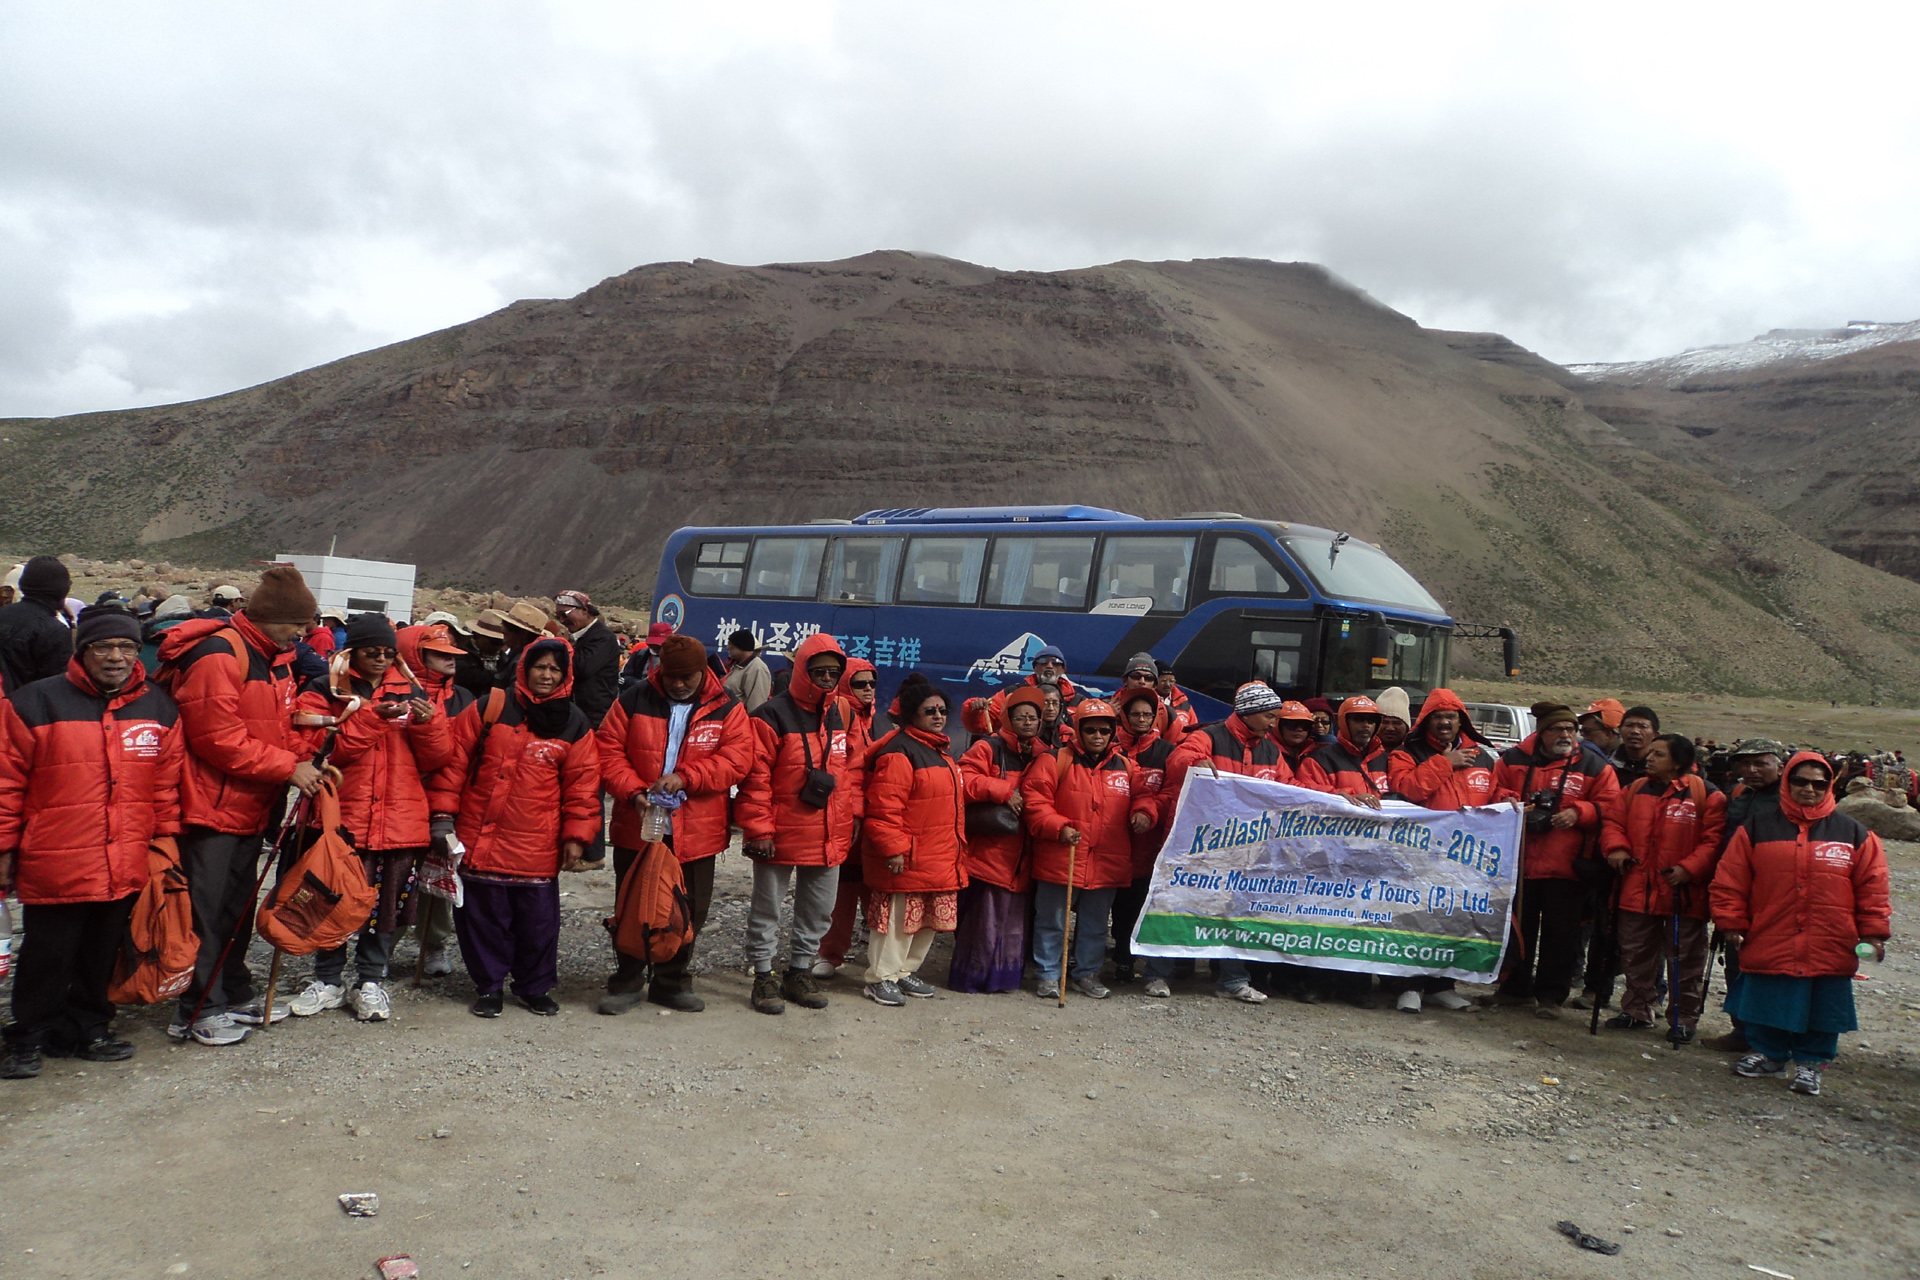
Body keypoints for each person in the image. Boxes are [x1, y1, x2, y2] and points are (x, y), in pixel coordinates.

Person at [0, 607, 184, 1078]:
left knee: (102, 949)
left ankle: (88, 1027)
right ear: (83, 651)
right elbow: (6, 783)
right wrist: (4, 847)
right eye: (104, 647)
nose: (117, 657)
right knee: (47, 953)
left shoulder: (158, 707)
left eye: (126, 647)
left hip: (124, 857)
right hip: (56, 857)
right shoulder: (35, 702)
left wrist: (164, 845)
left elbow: (165, 785)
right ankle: (27, 1035)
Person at [157, 565, 326, 1046]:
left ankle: (230, 990)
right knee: (205, 911)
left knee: (236, 904)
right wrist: (287, 767)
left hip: (249, 803)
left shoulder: (273, 656)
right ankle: (196, 1009)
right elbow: (218, 739)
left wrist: (307, 743)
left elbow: (269, 725)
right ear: (270, 616)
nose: (303, 632)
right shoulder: (220, 653)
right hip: (210, 805)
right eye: (296, 623)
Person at [285, 613, 453, 1022]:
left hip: (398, 816)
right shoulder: (325, 689)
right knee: (332, 898)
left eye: (387, 652)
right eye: (371, 651)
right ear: (352, 651)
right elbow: (316, 751)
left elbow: (438, 758)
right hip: (342, 815)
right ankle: (327, 978)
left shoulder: (415, 691)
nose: (381, 658)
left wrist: (429, 726)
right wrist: (372, 721)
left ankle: (370, 979)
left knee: (386, 904)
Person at [437, 639, 599, 1017]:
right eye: (540, 666)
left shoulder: (574, 722)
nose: (546, 674)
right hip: (481, 836)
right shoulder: (489, 707)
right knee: (482, 919)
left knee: (538, 926)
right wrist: (442, 818)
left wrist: (577, 836)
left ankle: (534, 986)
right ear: (525, 668)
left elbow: (584, 786)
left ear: (565, 675)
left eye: (554, 669)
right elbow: (453, 766)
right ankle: (489, 987)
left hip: (537, 844)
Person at [1714, 752, 1890, 1096]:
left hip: (1831, 938)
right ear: (1787, 782)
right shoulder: (1756, 827)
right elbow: (1731, 879)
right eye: (1800, 781)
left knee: (1824, 1003)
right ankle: (1769, 1054)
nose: (1809, 789)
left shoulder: (1854, 833)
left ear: (1830, 787)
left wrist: (1873, 934)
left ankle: (1811, 1065)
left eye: (1819, 783)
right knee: (1769, 995)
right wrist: (1731, 921)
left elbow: (1873, 887)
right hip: (1771, 931)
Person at [595, 634, 753, 1015]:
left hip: (696, 830)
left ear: (702, 672)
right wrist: (634, 792)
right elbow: (607, 750)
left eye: (688, 677)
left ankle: (672, 982)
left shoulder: (727, 707)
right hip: (640, 822)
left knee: (687, 908)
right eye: (672, 677)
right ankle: (627, 980)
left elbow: (738, 758)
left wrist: (687, 778)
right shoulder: (632, 700)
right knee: (631, 902)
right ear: (659, 671)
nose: (679, 684)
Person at [736, 633, 866, 1015]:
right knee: (767, 909)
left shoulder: (844, 714)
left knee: (818, 910)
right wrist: (759, 829)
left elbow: (854, 769)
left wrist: (853, 812)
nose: (826, 678)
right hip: (779, 831)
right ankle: (763, 975)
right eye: (819, 671)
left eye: (833, 672)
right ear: (802, 671)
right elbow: (755, 778)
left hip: (830, 830)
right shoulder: (770, 715)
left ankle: (798, 971)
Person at [1489, 702, 1620, 1019]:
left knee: (1561, 935)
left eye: (1571, 730)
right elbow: (1494, 790)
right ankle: (1514, 989)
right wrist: (1507, 801)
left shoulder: (1594, 765)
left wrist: (1579, 812)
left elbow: (1613, 805)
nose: (1566, 735)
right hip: (1520, 862)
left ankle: (1550, 996)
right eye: (1558, 729)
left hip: (1567, 865)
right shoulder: (1514, 759)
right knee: (1519, 929)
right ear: (1541, 732)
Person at [1023, 700, 1155, 1000]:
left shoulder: (1125, 765)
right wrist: (1059, 827)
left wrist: (1144, 812)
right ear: (1079, 730)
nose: (1098, 736)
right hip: (1062, 856)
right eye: (1091, 729)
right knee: (1052, 921)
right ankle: (1047, 974)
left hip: (1107, 861)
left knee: (1096, 925)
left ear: (1113, 733)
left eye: (1105, 731)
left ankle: (1087, 974)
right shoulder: (1054, 760)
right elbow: (1035, 803)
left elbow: (1143, 795)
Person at [1600, 734, 1727, 1043]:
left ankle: (1683, 1019)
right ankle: (1637, 1011)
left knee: (1685, 960)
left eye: (1659, 754)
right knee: (1635, 954)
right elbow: (1613, 823)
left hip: (1681, 891)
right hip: (1636, 887)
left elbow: (1714, 840)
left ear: (1679, 761)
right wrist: (1616, 849)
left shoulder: (1707, 795)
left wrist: (1690, 868)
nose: (1650, 758)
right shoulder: (1633, 790)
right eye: (1651, 752)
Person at [1385, 687, 1506, 1013]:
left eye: (1450, 717)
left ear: (1461, 720)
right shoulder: (1406, 753)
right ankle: (1408, 986)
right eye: (1437, 716)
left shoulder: (1483, 756)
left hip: (1467, 857)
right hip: (1419, 854)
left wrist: (1506, 801)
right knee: (1414, 921)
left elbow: (1495, 791)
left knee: (1453, 921)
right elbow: (1406, 789)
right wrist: (1444, 763)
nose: (1444, 723)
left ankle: (1442, 985)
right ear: (1426, 720)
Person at [859, 675, 969, 1006]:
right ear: (911, 715)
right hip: (907, 856)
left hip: (938, 856)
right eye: (929, 711)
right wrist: (893, 849)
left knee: (926, 921)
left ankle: (904, 971)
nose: (938, 716)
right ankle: (880, 978)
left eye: (941, 710)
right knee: (895, 922)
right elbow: (883, 809)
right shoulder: (900, 753)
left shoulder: (939, 752)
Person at [951, 685, 1045, 993]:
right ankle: (973, 979)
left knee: (1012, 925)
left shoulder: (1045, 754)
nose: (1027, 722)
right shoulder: (988, 748)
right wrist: (1003, 791)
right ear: (1007, 718)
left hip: (1023, 857)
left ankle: (1002, 981)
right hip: (989, 855)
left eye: (1033, 717)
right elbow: (962, 781)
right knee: (984, 922)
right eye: (1020, 717)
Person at [398, 621, 473, 977]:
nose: (450, 660)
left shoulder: (463, 699)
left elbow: (464, 756)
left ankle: (434, 943)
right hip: (401, 800)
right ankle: (384, 943)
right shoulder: (396, 697)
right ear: (417, 654)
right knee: (394, 877)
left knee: (438, 876)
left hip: (443, 801)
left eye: (452, 653)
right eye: (440, 654)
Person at [1703, 738, 1788, 1051]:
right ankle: (1743, 1031)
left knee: (1770, 966)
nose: (1752, 770)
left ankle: (1769, 1036)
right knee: (1737, 961)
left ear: (1780, 765)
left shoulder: (1792, 801)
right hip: (1736, 893)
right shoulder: (1740, 795)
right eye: (1745, 763)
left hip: (1773, 897)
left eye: (1761, 763)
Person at [817, 658, 885, 977]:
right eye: (860, 683)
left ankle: (879, 957)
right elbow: (845, 771)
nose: (869, 689)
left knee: (873, 890)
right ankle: (829, 954)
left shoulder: (871, 722)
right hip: (847, 820)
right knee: (842, 892)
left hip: (868, 822)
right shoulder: (838, 718)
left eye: (872, 682)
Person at [1110, 687, 1177, 987]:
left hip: (1147, 845)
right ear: (1124, 715)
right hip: (1110, 841)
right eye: (1135, 713)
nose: (1141, 719)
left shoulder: (1166, 752)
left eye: (1147, 714)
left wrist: (1148, 814)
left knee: (1137, 906)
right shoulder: (1109, 746)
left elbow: (1171, 794)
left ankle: (1131, 960)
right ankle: (1115, 959)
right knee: (1108, 908)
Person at [1165, 682, 1290, 794]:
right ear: (1246, 714)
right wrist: (1194, 762)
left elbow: (1289, 785)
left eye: (1276, 718)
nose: (1273, 724)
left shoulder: (1272, 751)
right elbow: (1176, 761)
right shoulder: (1208, 736)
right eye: (1269, 716)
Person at [960, 644, 1082, 738]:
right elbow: (983, 725)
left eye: (1056, 662)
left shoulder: (1078, 701)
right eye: (1043, 661)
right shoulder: (1013, 694)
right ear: (1035, 667)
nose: (1049, 666)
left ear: (1063, 669)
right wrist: (975, 711)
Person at [0, 555, 75, 695]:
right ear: (62, 590)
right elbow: (57, 686)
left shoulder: (3, 614)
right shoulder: (54, 630)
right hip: (25, 709)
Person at [554, 591, 619, 729]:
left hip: (594, 717)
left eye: (564, 614)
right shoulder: (576, 636)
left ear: (584, 610)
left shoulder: (604, 637)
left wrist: (562, 643)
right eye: (557, 616)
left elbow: (581, 667)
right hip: (573, 711)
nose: (561, 620)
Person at [722, 629, 773, 714]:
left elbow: (757, 705)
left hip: (740, 723)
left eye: (731, 645)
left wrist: (749, 725)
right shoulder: (738, 665)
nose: (728, 647)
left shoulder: (757, 668)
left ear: (741, 647)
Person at [1270, 700, 1322, 777]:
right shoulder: (1265, 750)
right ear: (1278, 725)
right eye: (1292, 725)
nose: (1299, 729)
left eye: (1305, 726)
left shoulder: (1316, 751)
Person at [1611, 706, 1660, 786]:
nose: (1635, 731)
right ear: (1619, 731)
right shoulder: (1606, 763)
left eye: (1642, 726)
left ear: (1655, 735)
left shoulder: (1663, 768)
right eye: (1629, 725)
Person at [1156, 661, 1199, 737]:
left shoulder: (1183, 703)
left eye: (1171, 681)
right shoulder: (1149, 701)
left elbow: (1194, 729)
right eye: (1163, 681)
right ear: (1155, 681)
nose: (1168, 684)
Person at [1373, 687, 1412, 753]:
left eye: (1396, 723)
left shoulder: (1417, 755)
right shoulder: (1362, 753)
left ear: (1407, 726)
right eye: (1385, 722)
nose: (1390, 728)